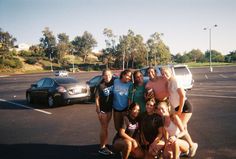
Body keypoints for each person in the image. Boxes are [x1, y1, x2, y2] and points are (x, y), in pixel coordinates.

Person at [161, 66, 198, 157]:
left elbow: (182, 95)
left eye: (166, 73)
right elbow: (169, 96)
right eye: (162, 74)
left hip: (184, 107)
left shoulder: (175, 81)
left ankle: (191, 145)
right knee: (183, 128)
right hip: (178, 108)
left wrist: (180, 110)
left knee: (181, 128)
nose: (164, 75)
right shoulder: (169, 82)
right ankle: (187, 147)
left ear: (170, 72)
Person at [95, 69, 114, 155]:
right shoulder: (100, 85)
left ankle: (105, 144)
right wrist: (98, 111)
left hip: (109, 109)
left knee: (106, 127)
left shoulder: (113, 82)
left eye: (109, 75)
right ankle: (102, 147)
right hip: (102, 110)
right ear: (103, 76)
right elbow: (96, 99)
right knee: (104, 127)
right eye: (105, 75)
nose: (107, 77)